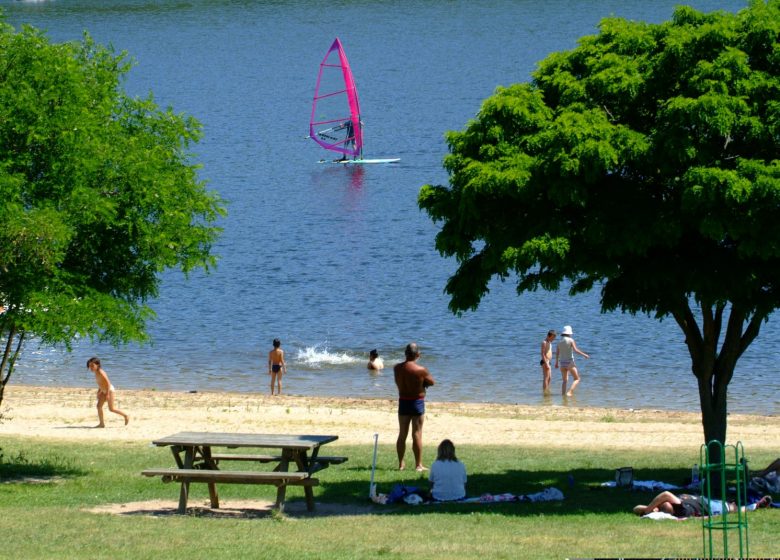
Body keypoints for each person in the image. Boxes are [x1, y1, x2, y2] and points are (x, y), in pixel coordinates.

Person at [394, 342, 435, 472]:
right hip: (416, 402)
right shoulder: (421, 370)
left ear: (405, 354)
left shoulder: (396, 368)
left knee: (402, 434)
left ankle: (401, 464)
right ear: (418, 354)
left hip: (403, 401)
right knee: (416, 434)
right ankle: (418, 465)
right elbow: (432, 382)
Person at [633, 490, 771, 518]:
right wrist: (649, 510)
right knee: (731, 508)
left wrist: (648, 509)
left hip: (705, 500)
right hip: (710, 507)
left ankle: (753, 505)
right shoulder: (679, 508)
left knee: (731, 505)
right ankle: (756, 506)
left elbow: (635, 508)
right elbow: (666, 494)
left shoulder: (661, 506)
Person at [86, 357, 129, 428]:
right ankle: (101, 424)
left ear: (98, 365)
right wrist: (99, 392)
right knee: (98, 406)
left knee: (111, 409)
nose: (91, 368)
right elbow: (101, 384)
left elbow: (108, 383)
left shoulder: (101, 372)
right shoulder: (96, 373)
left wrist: (107, 394)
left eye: (92, 366)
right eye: (90, 366)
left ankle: (126, 415)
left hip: (109, 390)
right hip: (103, 391)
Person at [555, 325, 589, 396]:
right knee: (577, 379)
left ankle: (563, 395)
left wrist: (556, 363)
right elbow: (576, 350)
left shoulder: (559, 341)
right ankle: (570, 392)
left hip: (562, 363)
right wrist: (584, 354)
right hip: (569, 362)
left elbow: (557, 353)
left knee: (564, 381)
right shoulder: (571, 340)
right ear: (569, 333)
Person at [540, 330, 556, 394]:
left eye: (554, 338)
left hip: (548, 361)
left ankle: (547, 390)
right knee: (546, 378)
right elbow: (542, 353)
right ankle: (545, 392)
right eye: (552, 338)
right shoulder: (544, 342)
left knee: (549, 378)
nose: (553, 339)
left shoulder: (549, 342)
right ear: (548, 336)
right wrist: (546, 363)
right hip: (545, 361)